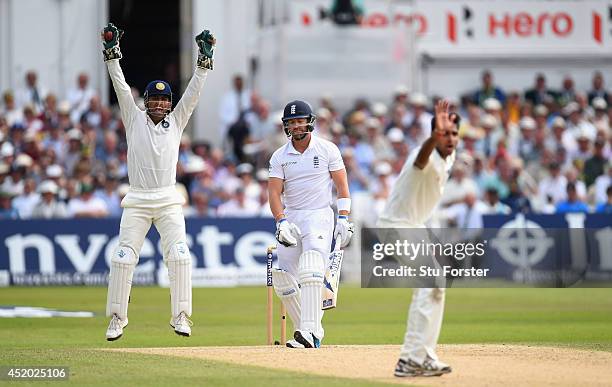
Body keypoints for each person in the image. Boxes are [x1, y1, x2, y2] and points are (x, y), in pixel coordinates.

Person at [100, 23, 215, 341]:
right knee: (123, 258)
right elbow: (121, 86)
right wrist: (111, 55)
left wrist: (203, 65)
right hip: (137, 198)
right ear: (148, 101)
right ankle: (117, 319)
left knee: (179, 255)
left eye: (166, 101)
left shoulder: (176, 121)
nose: (162, 105)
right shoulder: (133, 118)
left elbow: (192, 95)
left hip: (167, 199)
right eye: (156, 100)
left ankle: (181, 316)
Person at [377, 100, 458, 377]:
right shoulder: (422, 155)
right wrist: (432, 138)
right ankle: (410, 359)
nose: (450, 138)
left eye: (454, 133)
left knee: (436, 286)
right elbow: (423, 158)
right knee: (431, 282)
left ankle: (423, 356)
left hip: (414, 226)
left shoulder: (450, 156)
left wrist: (441, 135)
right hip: (396, 226)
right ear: (434, 135)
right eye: (445, 134)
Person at [268, 100, 353, 349]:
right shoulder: (279, 156)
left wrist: (344, 218)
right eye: (291, 122)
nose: (296, 126)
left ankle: (307, 332)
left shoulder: (327, 149)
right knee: (282, 277)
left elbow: (342, 187)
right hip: (292, 216)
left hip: (319, 215)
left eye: (300, 121)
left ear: (310, 122)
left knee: (311, 269)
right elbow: (274, 194)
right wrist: (281, 221)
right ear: (286, 127)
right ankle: (311, 331)